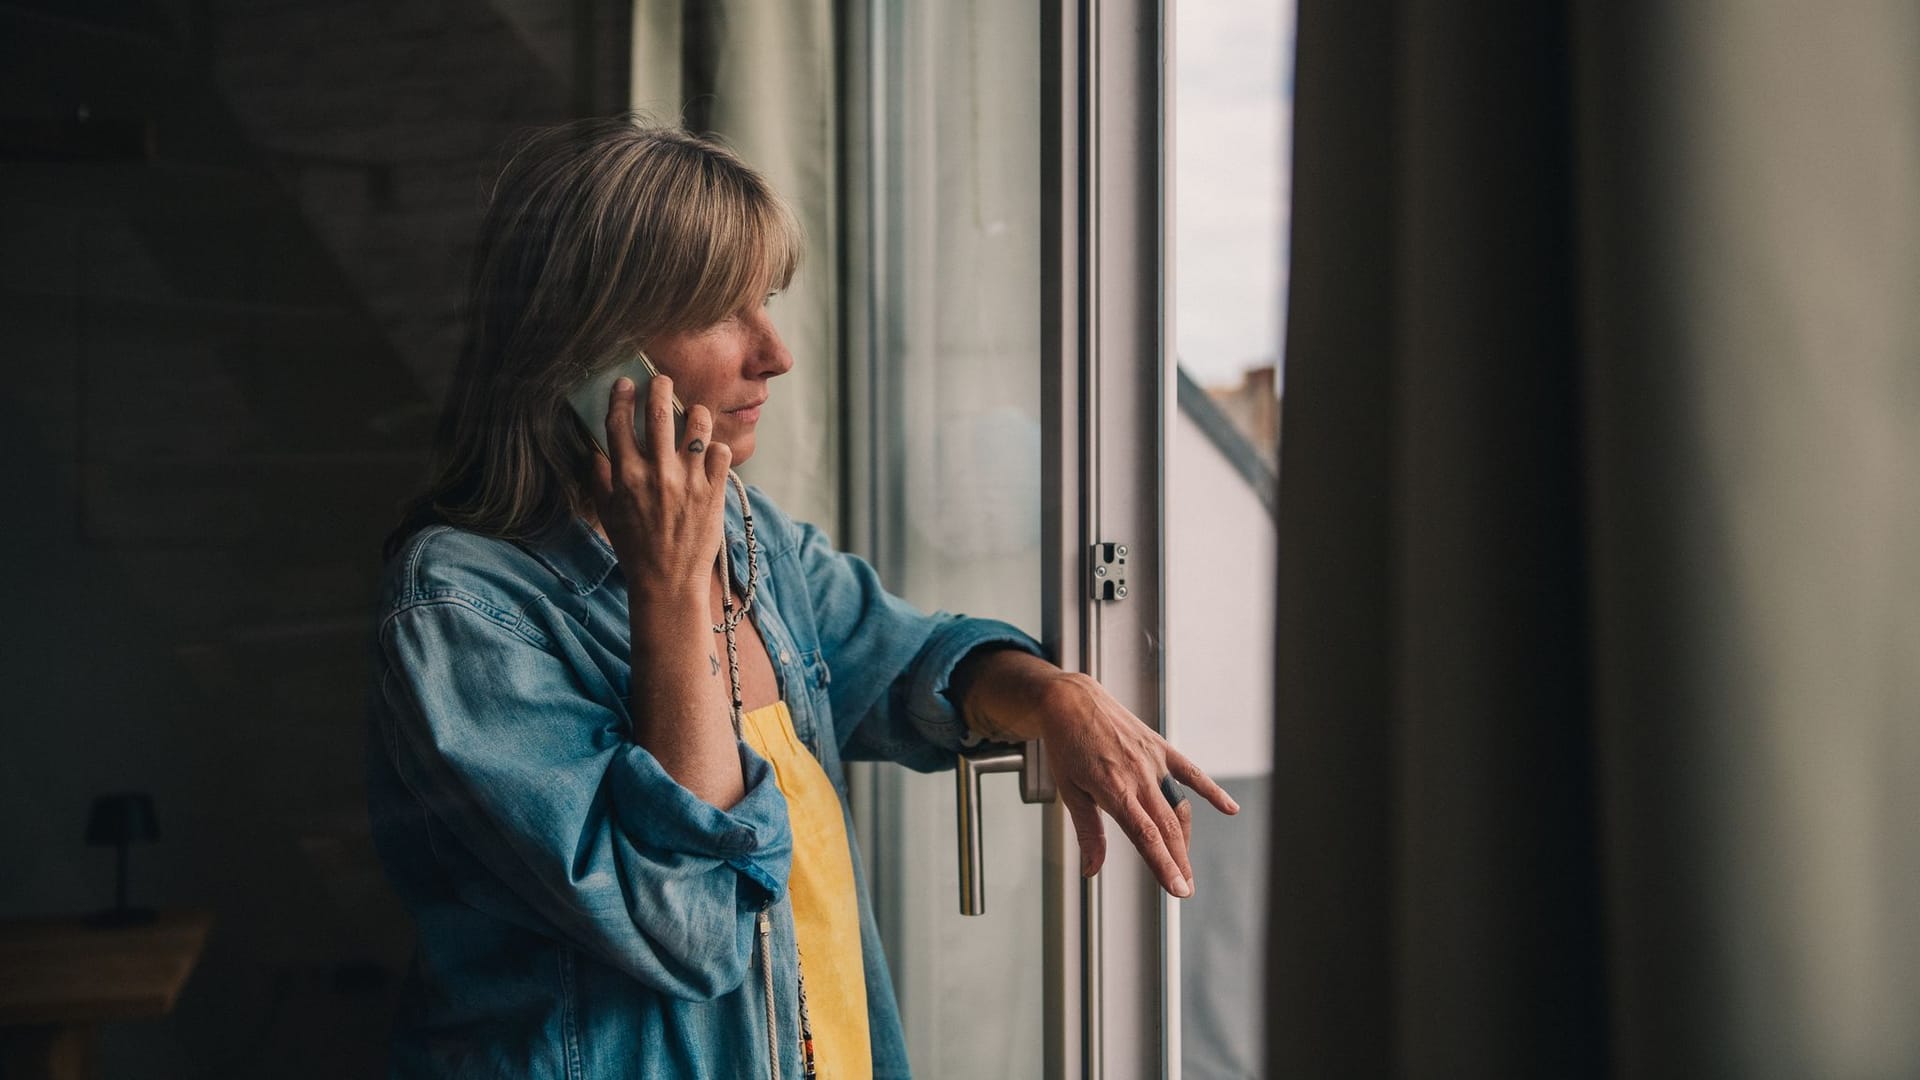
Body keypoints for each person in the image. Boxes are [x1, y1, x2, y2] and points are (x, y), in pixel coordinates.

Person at [365, 115, 1237, 1080]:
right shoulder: (462, 609)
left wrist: (1054, 697)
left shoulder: (751, 534)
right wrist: (667, 592)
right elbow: (690, 927)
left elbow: (903, 658)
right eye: (717, 313)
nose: (774, 354)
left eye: (765, 302)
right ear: (589, 358)